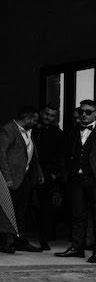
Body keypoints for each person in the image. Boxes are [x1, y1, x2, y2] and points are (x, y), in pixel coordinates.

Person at [0, 107, 45, 254]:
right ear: (27, 118)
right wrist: (7, 178)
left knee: (21, 212)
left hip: (24, 178)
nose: (36, 122)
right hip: (10, 178)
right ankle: (1, 243)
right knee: (5, 211)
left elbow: (31, 154)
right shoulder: (6, 130)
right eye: (34, 119)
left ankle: (19, 241)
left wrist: (38, 172)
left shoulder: (28, 132)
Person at [56, 99, 96, 262]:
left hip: (94, 178)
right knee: (77, 214)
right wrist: (66, 173)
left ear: (95, 114)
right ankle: (76, 248)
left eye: (88, 112)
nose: (83, 115)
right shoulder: (73, 131)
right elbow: (64, 154)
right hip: (76, 179)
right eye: (81, 111)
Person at [32, 106, 66, 250]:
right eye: (46, 114)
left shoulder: (57, 134)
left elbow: (62, 155)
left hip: (47, 172)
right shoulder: (32, 129)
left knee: (45, 207)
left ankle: (44, 239)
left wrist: (55, 173)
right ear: (41, 113)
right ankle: (17, 239)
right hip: (28, 170)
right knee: (24, 204)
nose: (48, 117)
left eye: (52, 116)